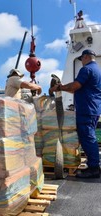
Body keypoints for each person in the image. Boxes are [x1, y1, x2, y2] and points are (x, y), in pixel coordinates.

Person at [50, 49, 101, 178]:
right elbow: (77, 90)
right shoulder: (97, 70)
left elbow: (74, 86)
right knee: (89, 137)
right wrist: (64, 88)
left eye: (82, 59)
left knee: (88, 138)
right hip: (93, 109)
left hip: (86, 110)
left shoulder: (86, 69)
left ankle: (94, 168)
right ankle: (93, 165)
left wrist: (59, 87)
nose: (82, 62)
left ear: (86, 57)